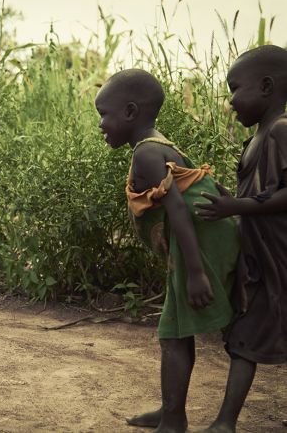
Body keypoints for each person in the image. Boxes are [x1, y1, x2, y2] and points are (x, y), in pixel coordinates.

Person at [94, 69, 239, 432]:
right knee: (174, 332)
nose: (101, 124)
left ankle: (173, 419)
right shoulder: (156, 145)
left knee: (172, 334)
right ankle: (171, 410)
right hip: (196, 242)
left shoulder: (147, 152)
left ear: (130, 112)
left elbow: (177, 208)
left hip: (201, 245)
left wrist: (195, 272)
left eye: (104, 114)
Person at [194, 44, 287, 433]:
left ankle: (225, 422)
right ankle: (225, 421)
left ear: (266, 87)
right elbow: (254, 194)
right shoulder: (256, 139)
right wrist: (227, 200)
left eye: (235, 88)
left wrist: (238, 207)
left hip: (279, 256)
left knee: (247, 337)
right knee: (246, 336)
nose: (230, 101)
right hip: (259, 258)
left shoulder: (281, 130)